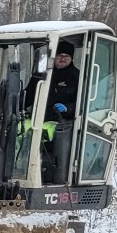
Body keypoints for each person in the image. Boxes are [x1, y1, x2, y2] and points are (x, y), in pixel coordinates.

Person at [41, 39, 82, 185]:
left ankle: (55, 176)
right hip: (40, 117)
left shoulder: (78, 77)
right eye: (60, 55)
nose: (63, 59)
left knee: (51, 134)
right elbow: (31, 94)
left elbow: (83, 102)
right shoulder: (44, 75)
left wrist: (68, 108)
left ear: (71, 58)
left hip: (63, 122)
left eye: (66, 56)